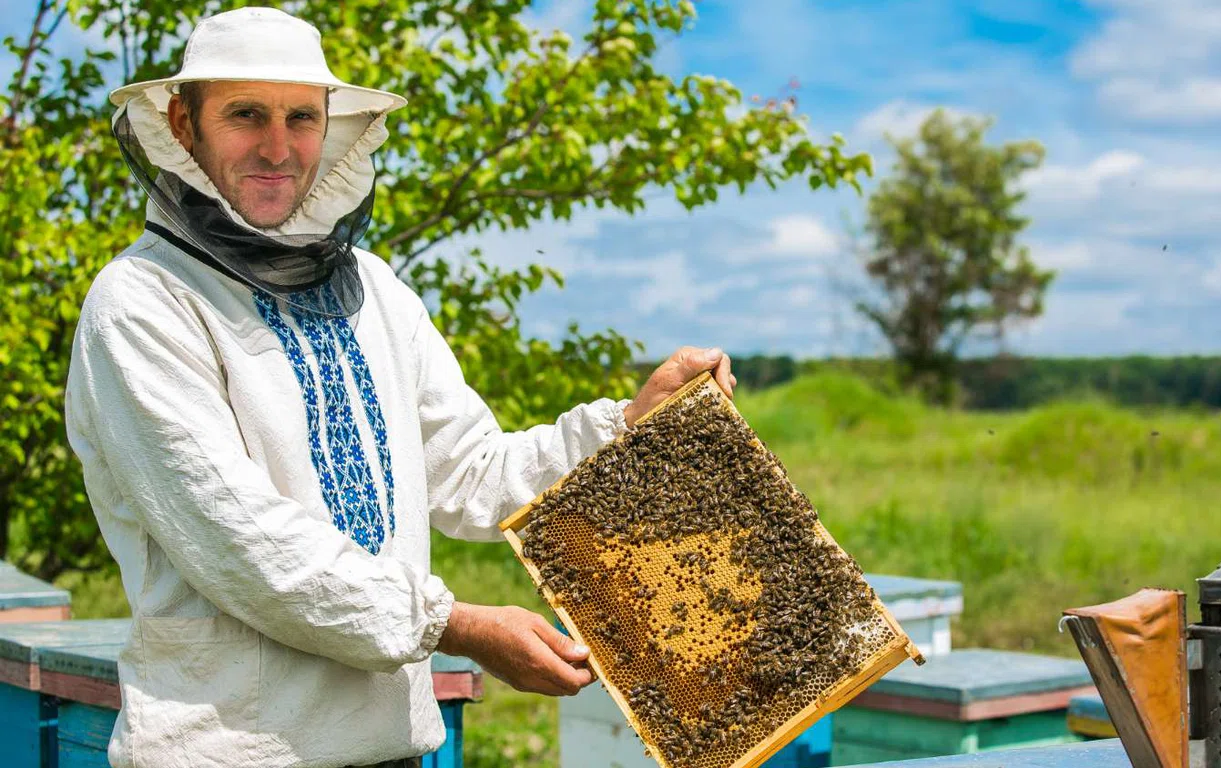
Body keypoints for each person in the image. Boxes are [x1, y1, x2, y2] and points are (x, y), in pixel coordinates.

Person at [64, 7, 735, 768]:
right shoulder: (142, 304)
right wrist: (455, 625)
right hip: (226, 755)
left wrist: (626, 426)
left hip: (390, 749)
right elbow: (243, 544)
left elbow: (473, 471)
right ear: (184, 125)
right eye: (245, 114)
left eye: (301, 118)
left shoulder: (374, 289)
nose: (278, 147)